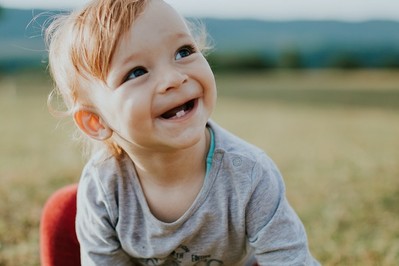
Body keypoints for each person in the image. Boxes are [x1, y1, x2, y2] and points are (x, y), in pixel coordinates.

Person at [41, 0, 320, 265]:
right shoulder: (103, 186)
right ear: (95, 122)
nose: (174, 78)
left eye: (183, 52)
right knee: (64, 209)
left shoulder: (250, 175)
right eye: (137, 72)